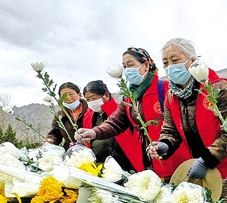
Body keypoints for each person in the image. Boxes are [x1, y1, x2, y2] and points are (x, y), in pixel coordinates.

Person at [146, 37, 227, 203]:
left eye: (175, 60)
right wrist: (165, 144)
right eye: (165, 63)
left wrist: (207, 159)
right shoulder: (171, 96)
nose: (170, 67)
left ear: (192, 61)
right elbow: (170, 130)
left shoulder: (216, 87)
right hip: (204, 168)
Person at [75, 47, 186, 178]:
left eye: (130, 64)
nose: (127, 70)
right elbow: (115, 122)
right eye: (124, 66)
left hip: (174, 160)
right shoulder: (129, 97)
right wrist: (94, 132)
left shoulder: (165, 89)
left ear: (145, 65)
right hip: (148, 164)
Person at [81, 80, 132, 171]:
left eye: (93, 98)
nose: (91, 102)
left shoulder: (119, 112)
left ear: (106, 95)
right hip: (99, 165)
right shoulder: (88, 116)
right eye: (88, 99)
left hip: (122, 165)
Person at [46, 82, 87, 148]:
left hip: (91, 150)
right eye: (64, 96)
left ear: (79, 95)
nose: (68, 98)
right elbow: (55, 134)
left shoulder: (90, 111)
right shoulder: (60, 116)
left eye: (71, 94)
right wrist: (51, 140)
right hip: (70, 151)